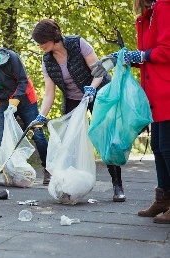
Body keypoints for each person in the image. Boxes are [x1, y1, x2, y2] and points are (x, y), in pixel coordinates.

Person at [30, 18, 127, 202]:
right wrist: (41, 116)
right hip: (74, 100)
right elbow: (49, 93)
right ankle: (69, 186)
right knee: (68, 141)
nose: (40, 45)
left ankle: (117, 185)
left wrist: (91, 89)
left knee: (105, 137)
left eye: (42, 41)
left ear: (53, 37)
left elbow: (99, 70)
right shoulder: (47, 60)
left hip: (97, 92)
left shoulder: (77, 43)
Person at [91, 0, 170, 222]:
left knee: (167, 148)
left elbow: (165, 51)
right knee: (158, 146)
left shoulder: (165, 6)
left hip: (166, 90)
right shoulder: (148, 14)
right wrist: (120, 59)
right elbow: (148, 54)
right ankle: (164, 198)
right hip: (156, 93)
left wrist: (139, 56)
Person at [0, 44, 50, 185]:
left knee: (38, 135)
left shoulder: (11, 57)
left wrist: (15, 102)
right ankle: (5, 172)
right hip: (4, 102)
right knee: (2, 139)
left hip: (26, 99)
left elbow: (22, 81)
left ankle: (48, 169)